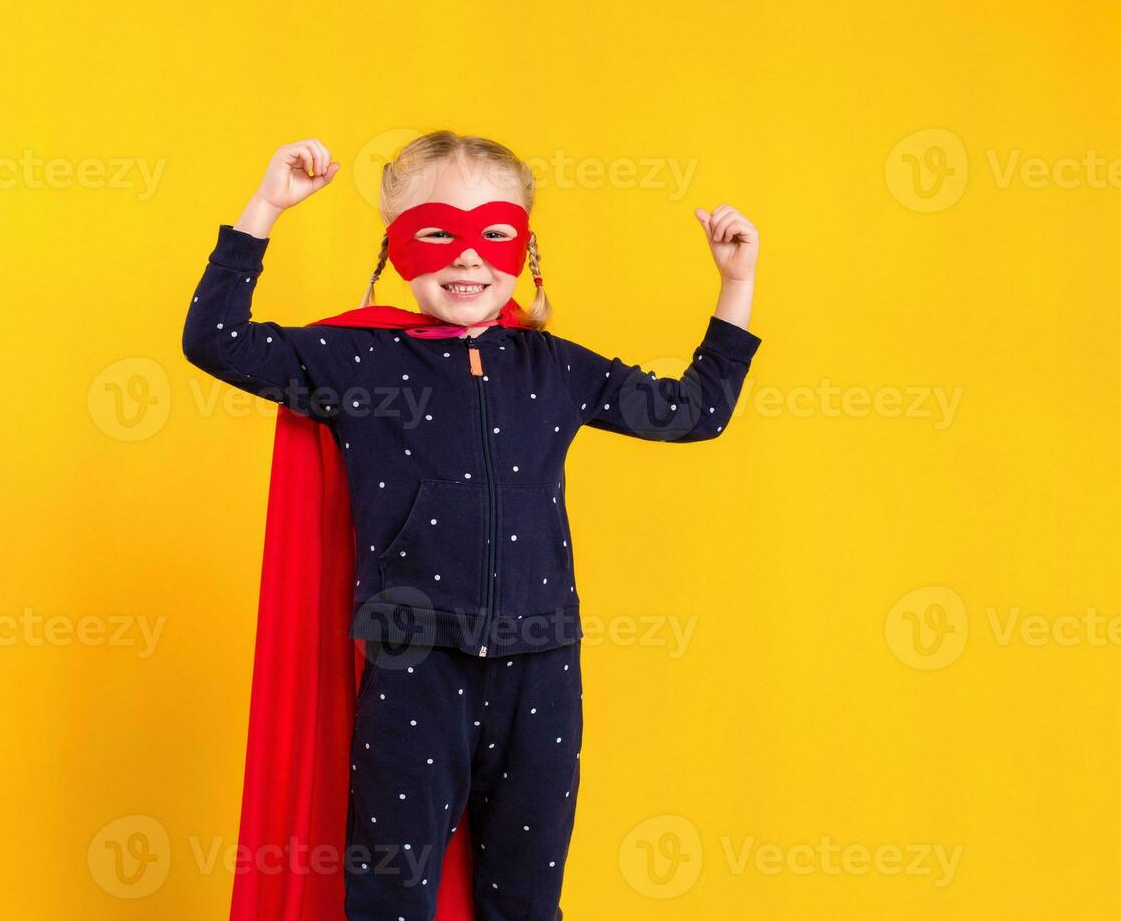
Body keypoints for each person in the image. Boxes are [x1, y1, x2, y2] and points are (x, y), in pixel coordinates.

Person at [182, 131, 762, 920]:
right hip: (413, 662)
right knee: (391, 896)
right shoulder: (359, 362)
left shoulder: (554, 368)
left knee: (524, 900)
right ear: (395, 246)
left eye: (493, 234)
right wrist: (265, 209)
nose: (466, 260)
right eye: (435, 233)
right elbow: (215, 341)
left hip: (542, 668)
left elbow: (694, 414)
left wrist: (736, 284)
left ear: (525, 247)